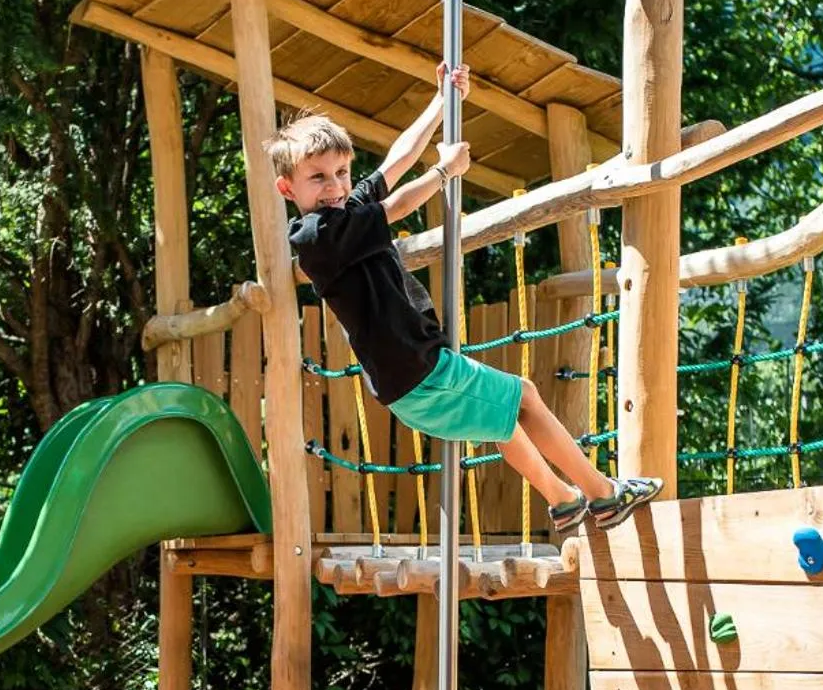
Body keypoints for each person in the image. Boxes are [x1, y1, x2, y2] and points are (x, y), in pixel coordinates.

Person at [271, 63, 660, 533]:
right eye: (318, 178)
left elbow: (393, 164)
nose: (334, 186)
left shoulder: (343, 206)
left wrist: (441, 102)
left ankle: (562, 501)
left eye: (341, 172)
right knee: (526, 397)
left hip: (410, 373)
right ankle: (603, 495)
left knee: (502, 420)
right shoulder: (317, 233)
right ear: (287, 187)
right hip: (417, 370)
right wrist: (443, 171)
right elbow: (394, 206)